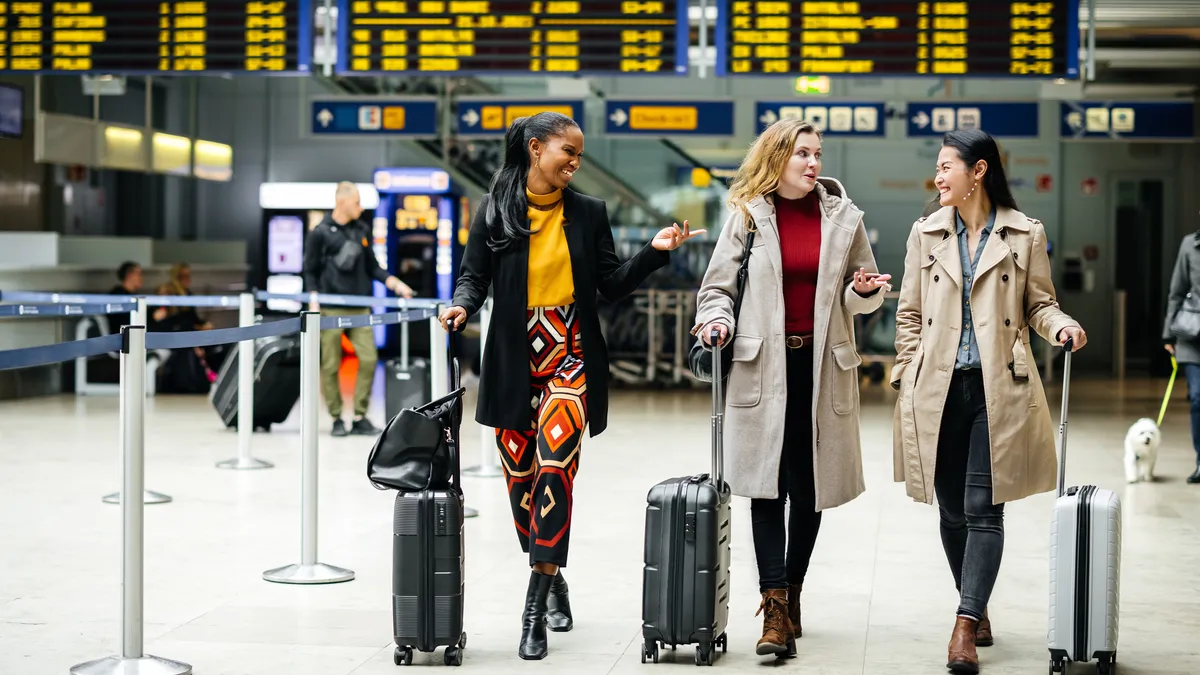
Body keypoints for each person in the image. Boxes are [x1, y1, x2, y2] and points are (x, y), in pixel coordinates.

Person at [438, 112, 700, 660]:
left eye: (579, 155)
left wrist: (653, 252)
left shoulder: (587, 213)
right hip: (512, 362)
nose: (575, 164)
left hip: (571, 359)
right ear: (536, 149)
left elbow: (609, 285)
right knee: (522, 487)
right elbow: (473, 276)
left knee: (556, 468)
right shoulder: (495, 210)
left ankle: (532, 607)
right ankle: (552, 577)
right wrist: (460, 306)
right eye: (568, 152)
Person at [692, 118, 891, 658]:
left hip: (821, 368)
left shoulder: (845, 220)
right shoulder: (748, 218)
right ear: (776, 158)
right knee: (764, 485)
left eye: (817, 154)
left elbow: (860, 296)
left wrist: (864, 291)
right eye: (802, 153)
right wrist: (717, 322)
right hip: (764, 369)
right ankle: (773, 606)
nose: (812, 163)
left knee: (810, 487)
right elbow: (717, 288)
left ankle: (793, 591)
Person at [891, 129, 1087, 674]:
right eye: (938, 166)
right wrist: (907, 370)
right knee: (952, 510)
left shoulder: (1025, 234)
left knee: (983, 508)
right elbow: (908, 313)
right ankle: (976, 608)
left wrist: (1063, 325)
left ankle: (965, 622)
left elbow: (1039, 304)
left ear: (979, 171)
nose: (939, 176)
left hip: (996, 388)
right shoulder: (925, 233)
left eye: (948, 166)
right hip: (938, 387)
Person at [302, 181, 414, 437]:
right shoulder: (320, 233)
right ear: (342, 202)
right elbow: (310, 270)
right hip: (330, 308)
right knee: (330, 364)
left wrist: (395, 284)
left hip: (360, 307)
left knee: (369, 359)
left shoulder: (361, 230)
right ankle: (336, 418)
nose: (360, 208)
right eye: (356, 203)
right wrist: (313, 300)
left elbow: (373, 267)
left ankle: (360, 415)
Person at [1163, 228, 1200, 484]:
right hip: (1193, 336)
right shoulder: (1190, 244)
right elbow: (1177, 290)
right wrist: (1168, 335)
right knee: (1198, 397)